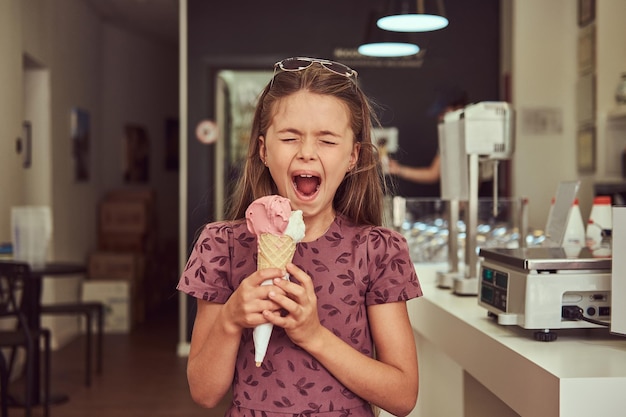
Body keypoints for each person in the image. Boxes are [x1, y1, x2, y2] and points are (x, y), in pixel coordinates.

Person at [177, 57, 423, 417]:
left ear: (353, 155)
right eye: (290, 137)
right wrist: (231, 318)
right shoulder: (221, 246)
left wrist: (314, 335)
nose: (307, 152)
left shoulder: (378, 251)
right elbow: (204, 392)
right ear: (263, 150)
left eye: (327, 140)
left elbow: (402, 397)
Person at [387, 88, 468, 184]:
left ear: (459, 109)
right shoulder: (451, 139)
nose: (440, 119)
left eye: (443, 113)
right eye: (439, 115)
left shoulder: (470, 136)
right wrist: (398, 169)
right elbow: (433, 173)